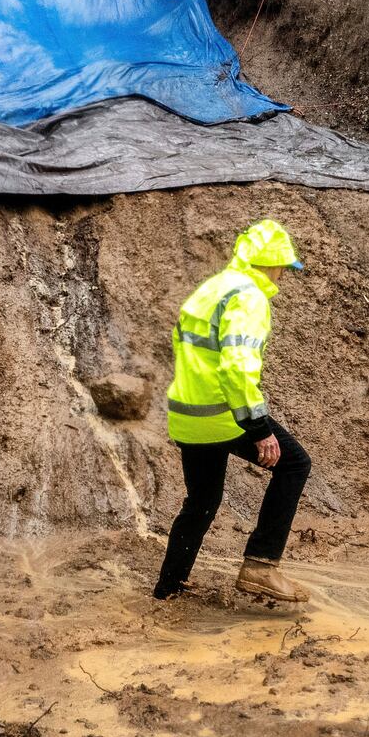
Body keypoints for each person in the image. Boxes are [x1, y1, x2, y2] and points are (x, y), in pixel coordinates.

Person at [154, 219, 313, 604]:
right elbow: (237, 367)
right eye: (282, 268)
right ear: (272, 264)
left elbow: (185, 350)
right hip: (223, 415)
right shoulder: (249, 297)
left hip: (187, 416)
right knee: (294, 464)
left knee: (202, 501)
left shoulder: (212, 288)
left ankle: (168, 587)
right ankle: (261, 566)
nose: (283, 276)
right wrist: (258, 428)